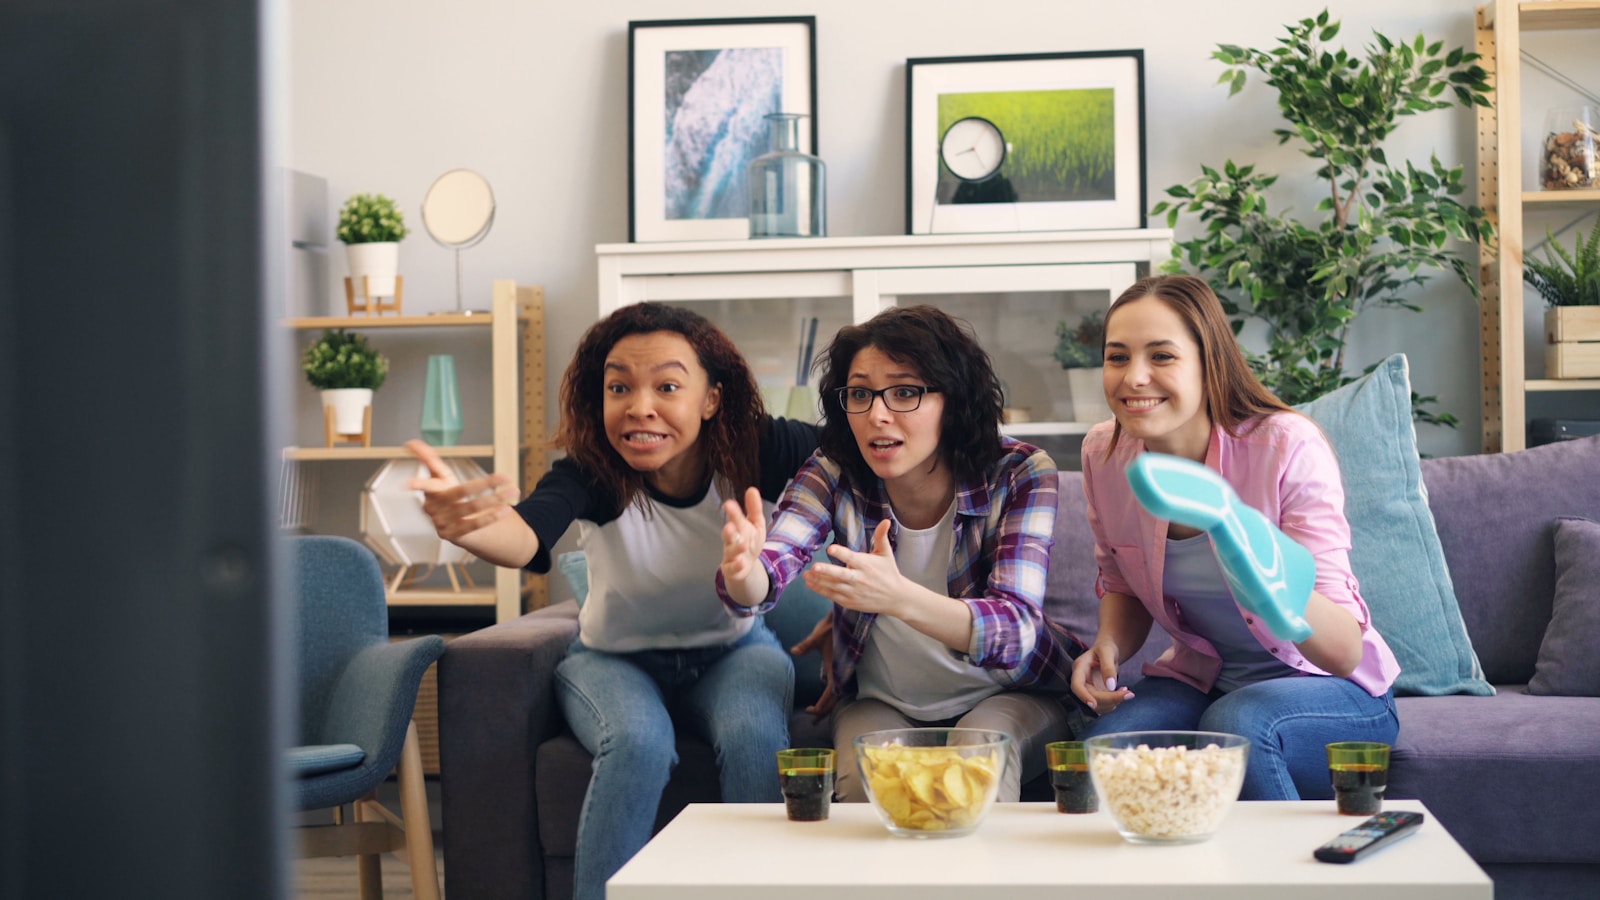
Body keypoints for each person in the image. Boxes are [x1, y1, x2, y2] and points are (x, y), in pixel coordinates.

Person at [407, 303, 818, 900]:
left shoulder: (758, 448)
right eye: (618, 386)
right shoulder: (595, 471)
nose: (639, 406)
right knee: (638, 742)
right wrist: (462, 527)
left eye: (667, 386)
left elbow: (864, 454)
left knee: (756, 732)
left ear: (711, 398)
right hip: (614, 660)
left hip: (734, 651)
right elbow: (524, 536)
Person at [718, 305, 1084, 803]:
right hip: (883, 700)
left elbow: (1017, 630)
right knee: (863, 786)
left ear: (953, 401)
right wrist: (744, 574)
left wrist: (896, 597)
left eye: (906, 392)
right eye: (861, 394)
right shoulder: (833, 469)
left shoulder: (1018, 470)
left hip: (1007, 692)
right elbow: (772, 565)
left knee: (975, 763)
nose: (877, 414)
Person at [1069, 273, 1401, 800]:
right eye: (1117, 357)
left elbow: (1342, 652)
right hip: (1206, 679)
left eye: (1161, 356)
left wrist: (1253, 552)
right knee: (1105, 754)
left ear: (1209, 362)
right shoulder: (1103, 455)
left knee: (1239, 728)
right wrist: (1106, 645)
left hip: (1330, 689)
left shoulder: (1286, 446)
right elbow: (1122, 585)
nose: (1133, 377)